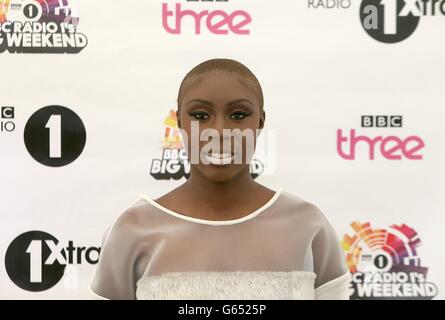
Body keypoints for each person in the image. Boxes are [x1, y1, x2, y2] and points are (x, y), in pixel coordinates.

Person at [89, 58, 351, 300]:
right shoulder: (133, 230)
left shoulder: (307, 226)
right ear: (179, 120)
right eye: (200, 116)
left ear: (260, 121)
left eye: (238, 115)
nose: (220, 132)